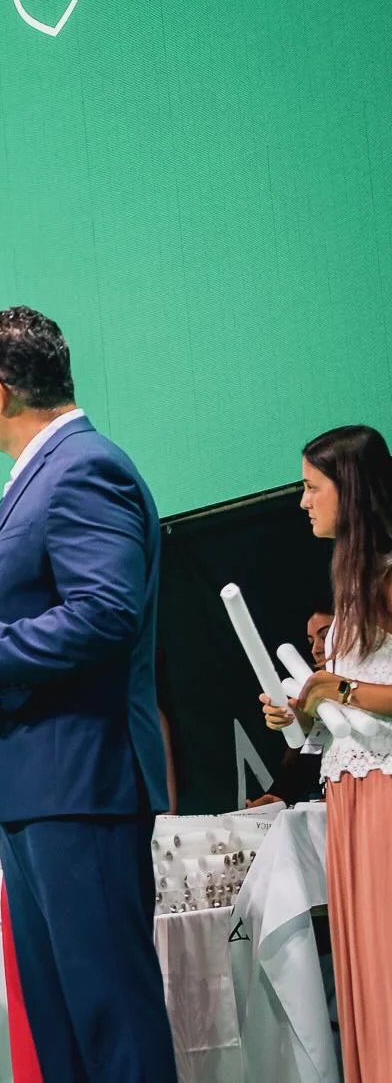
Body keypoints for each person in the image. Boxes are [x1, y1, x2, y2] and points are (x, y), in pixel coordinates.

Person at [0, 306, 175, 1082]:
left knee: (111, 1023)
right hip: (40, 785)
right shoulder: (48, 472)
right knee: (63, 1031)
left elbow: (105, 613)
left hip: (79, 784)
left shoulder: (84, 467)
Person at [260, 425, 392, 1083]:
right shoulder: (352, 584)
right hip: (350, 793)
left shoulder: (388, 578)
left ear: (351, 489)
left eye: (313, 487)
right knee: (363, 960)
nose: (303, 501)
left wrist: (331, 686)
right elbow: (348, 711)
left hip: (382, 795)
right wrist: (303, 712)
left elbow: (363, 693)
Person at [249, 612, 335, 808]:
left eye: (326, 636)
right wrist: (277, 795)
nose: (316, 649)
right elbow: (305, 749)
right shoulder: (311, 692)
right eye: (311, 641)